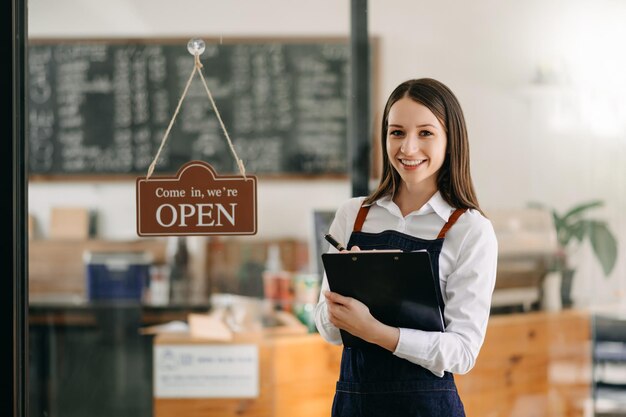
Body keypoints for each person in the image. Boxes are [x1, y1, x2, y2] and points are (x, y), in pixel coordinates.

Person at [314, 78, 498, 417]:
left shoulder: (471, 230)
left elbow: (462, 352)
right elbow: (328, 331)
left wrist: (376, 331)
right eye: (396, 132)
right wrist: (342, 298)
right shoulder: (352, 215)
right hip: (354, 406)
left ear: (450, 140)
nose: (408, 148)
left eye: (425, 133)